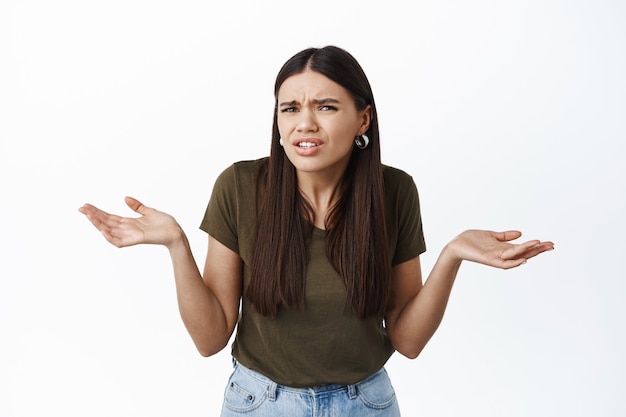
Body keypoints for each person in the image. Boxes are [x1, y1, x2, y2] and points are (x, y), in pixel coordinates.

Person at [79, 45, 554, 416]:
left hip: (365, 404)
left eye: (326, 107)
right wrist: (176, 246)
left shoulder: (394, 191)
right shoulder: (240, 186)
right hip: (258, 404)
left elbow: (407, 342)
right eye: (289, 109)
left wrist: (450, 256)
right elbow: (210, 340)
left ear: (362, 118)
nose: (304, 123)